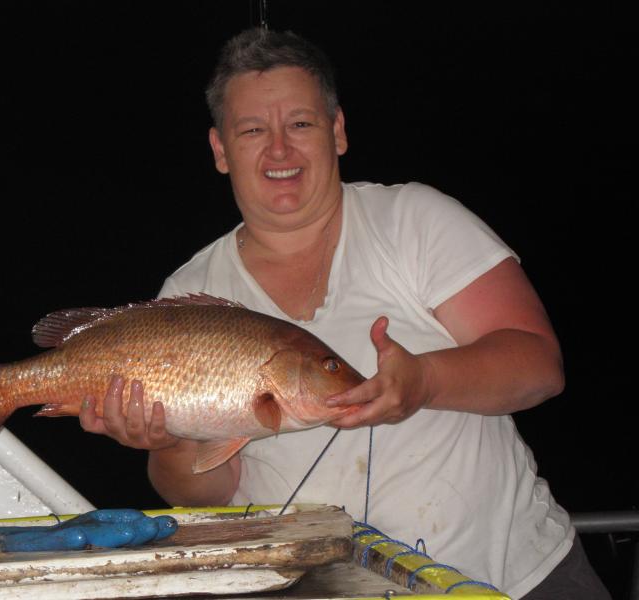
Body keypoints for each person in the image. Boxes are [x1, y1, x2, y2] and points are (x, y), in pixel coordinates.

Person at [79, 28, 610, 599]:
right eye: (252, 130)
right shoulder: (190, 292)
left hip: (514, 579)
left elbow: (538, 365)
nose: (279, 150)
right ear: (220, 149)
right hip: (321, 588)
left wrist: (425, 380)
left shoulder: (414, 221)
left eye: (300, 124)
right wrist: (167, 441)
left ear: (337, 130)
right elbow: (204, 492)